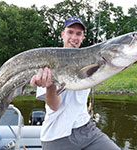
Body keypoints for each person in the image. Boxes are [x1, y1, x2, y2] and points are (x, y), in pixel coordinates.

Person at [30, 16, 121, 150]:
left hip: (86, 129)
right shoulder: (49, 60)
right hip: (57, 135)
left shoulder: (91, 58)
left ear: (83, 37)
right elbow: (54, 106)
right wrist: (51, 86)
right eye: (70, 32)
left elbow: (115, 60)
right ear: (62, 34)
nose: (74, 37)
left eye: (79, 34)